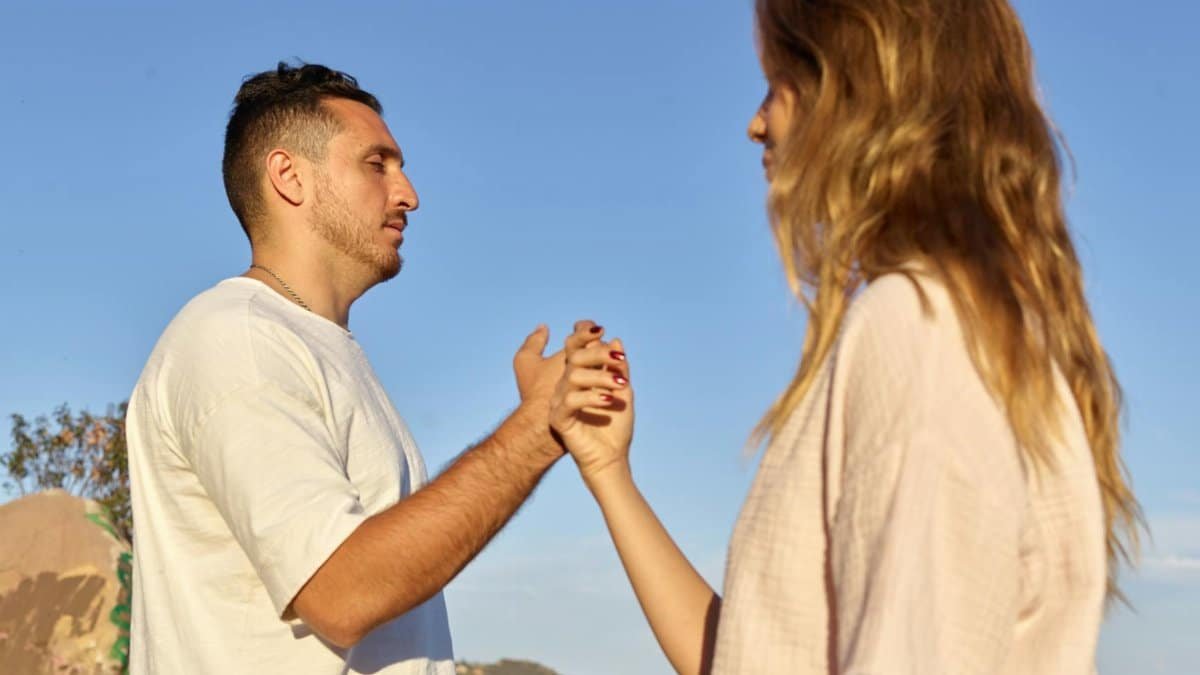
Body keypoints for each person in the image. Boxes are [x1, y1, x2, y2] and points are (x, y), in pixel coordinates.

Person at [548, 1, 1141, 673]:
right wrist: (608, 472)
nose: (756, 122)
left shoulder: (917, 331)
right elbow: (757, 658)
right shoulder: (969, 332)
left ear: (849, 90)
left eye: (775, 83)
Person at [126, 62, 595, 674]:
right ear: (289, 176)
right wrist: (536, 430)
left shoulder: (312, 345)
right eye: (378, 164)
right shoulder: (236, 337)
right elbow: (340, 593)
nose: (409, 194)